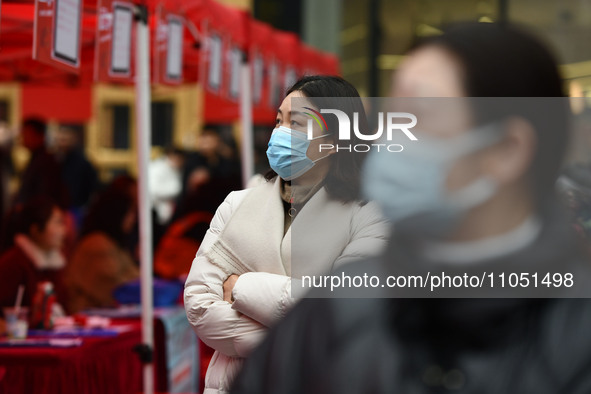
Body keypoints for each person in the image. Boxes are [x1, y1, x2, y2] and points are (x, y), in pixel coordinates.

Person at [231, 23, 591, 394]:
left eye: (416, 117)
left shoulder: (577, 335)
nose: (389, 140)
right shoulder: (339, 305)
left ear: (507, 150)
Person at [184, 75, 389, 394]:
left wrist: (242, 287)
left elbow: (343, 310)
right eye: (279, 120)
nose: (280, 132)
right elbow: (199, 305)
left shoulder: (369, 214)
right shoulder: (238, 203)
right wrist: (296, 340)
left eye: (297, 122)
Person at [64, 176, 139, 313]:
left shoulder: (111, 243)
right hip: (88, 317)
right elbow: (116, 287)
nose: (133, 219)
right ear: (118, 213)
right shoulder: (97, 245)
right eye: (130, 213)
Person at [0, 197, 67, 311]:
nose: (63, 230)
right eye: (57, 223)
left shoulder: (56, 263)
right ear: (35, 230)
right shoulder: (14, 263)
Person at [14, 118, 69, 209]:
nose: (22, 137)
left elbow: (45, 194)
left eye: (26, 134)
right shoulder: (38, 159)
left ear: (39, 135)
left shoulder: (45, 161)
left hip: (39, 215)